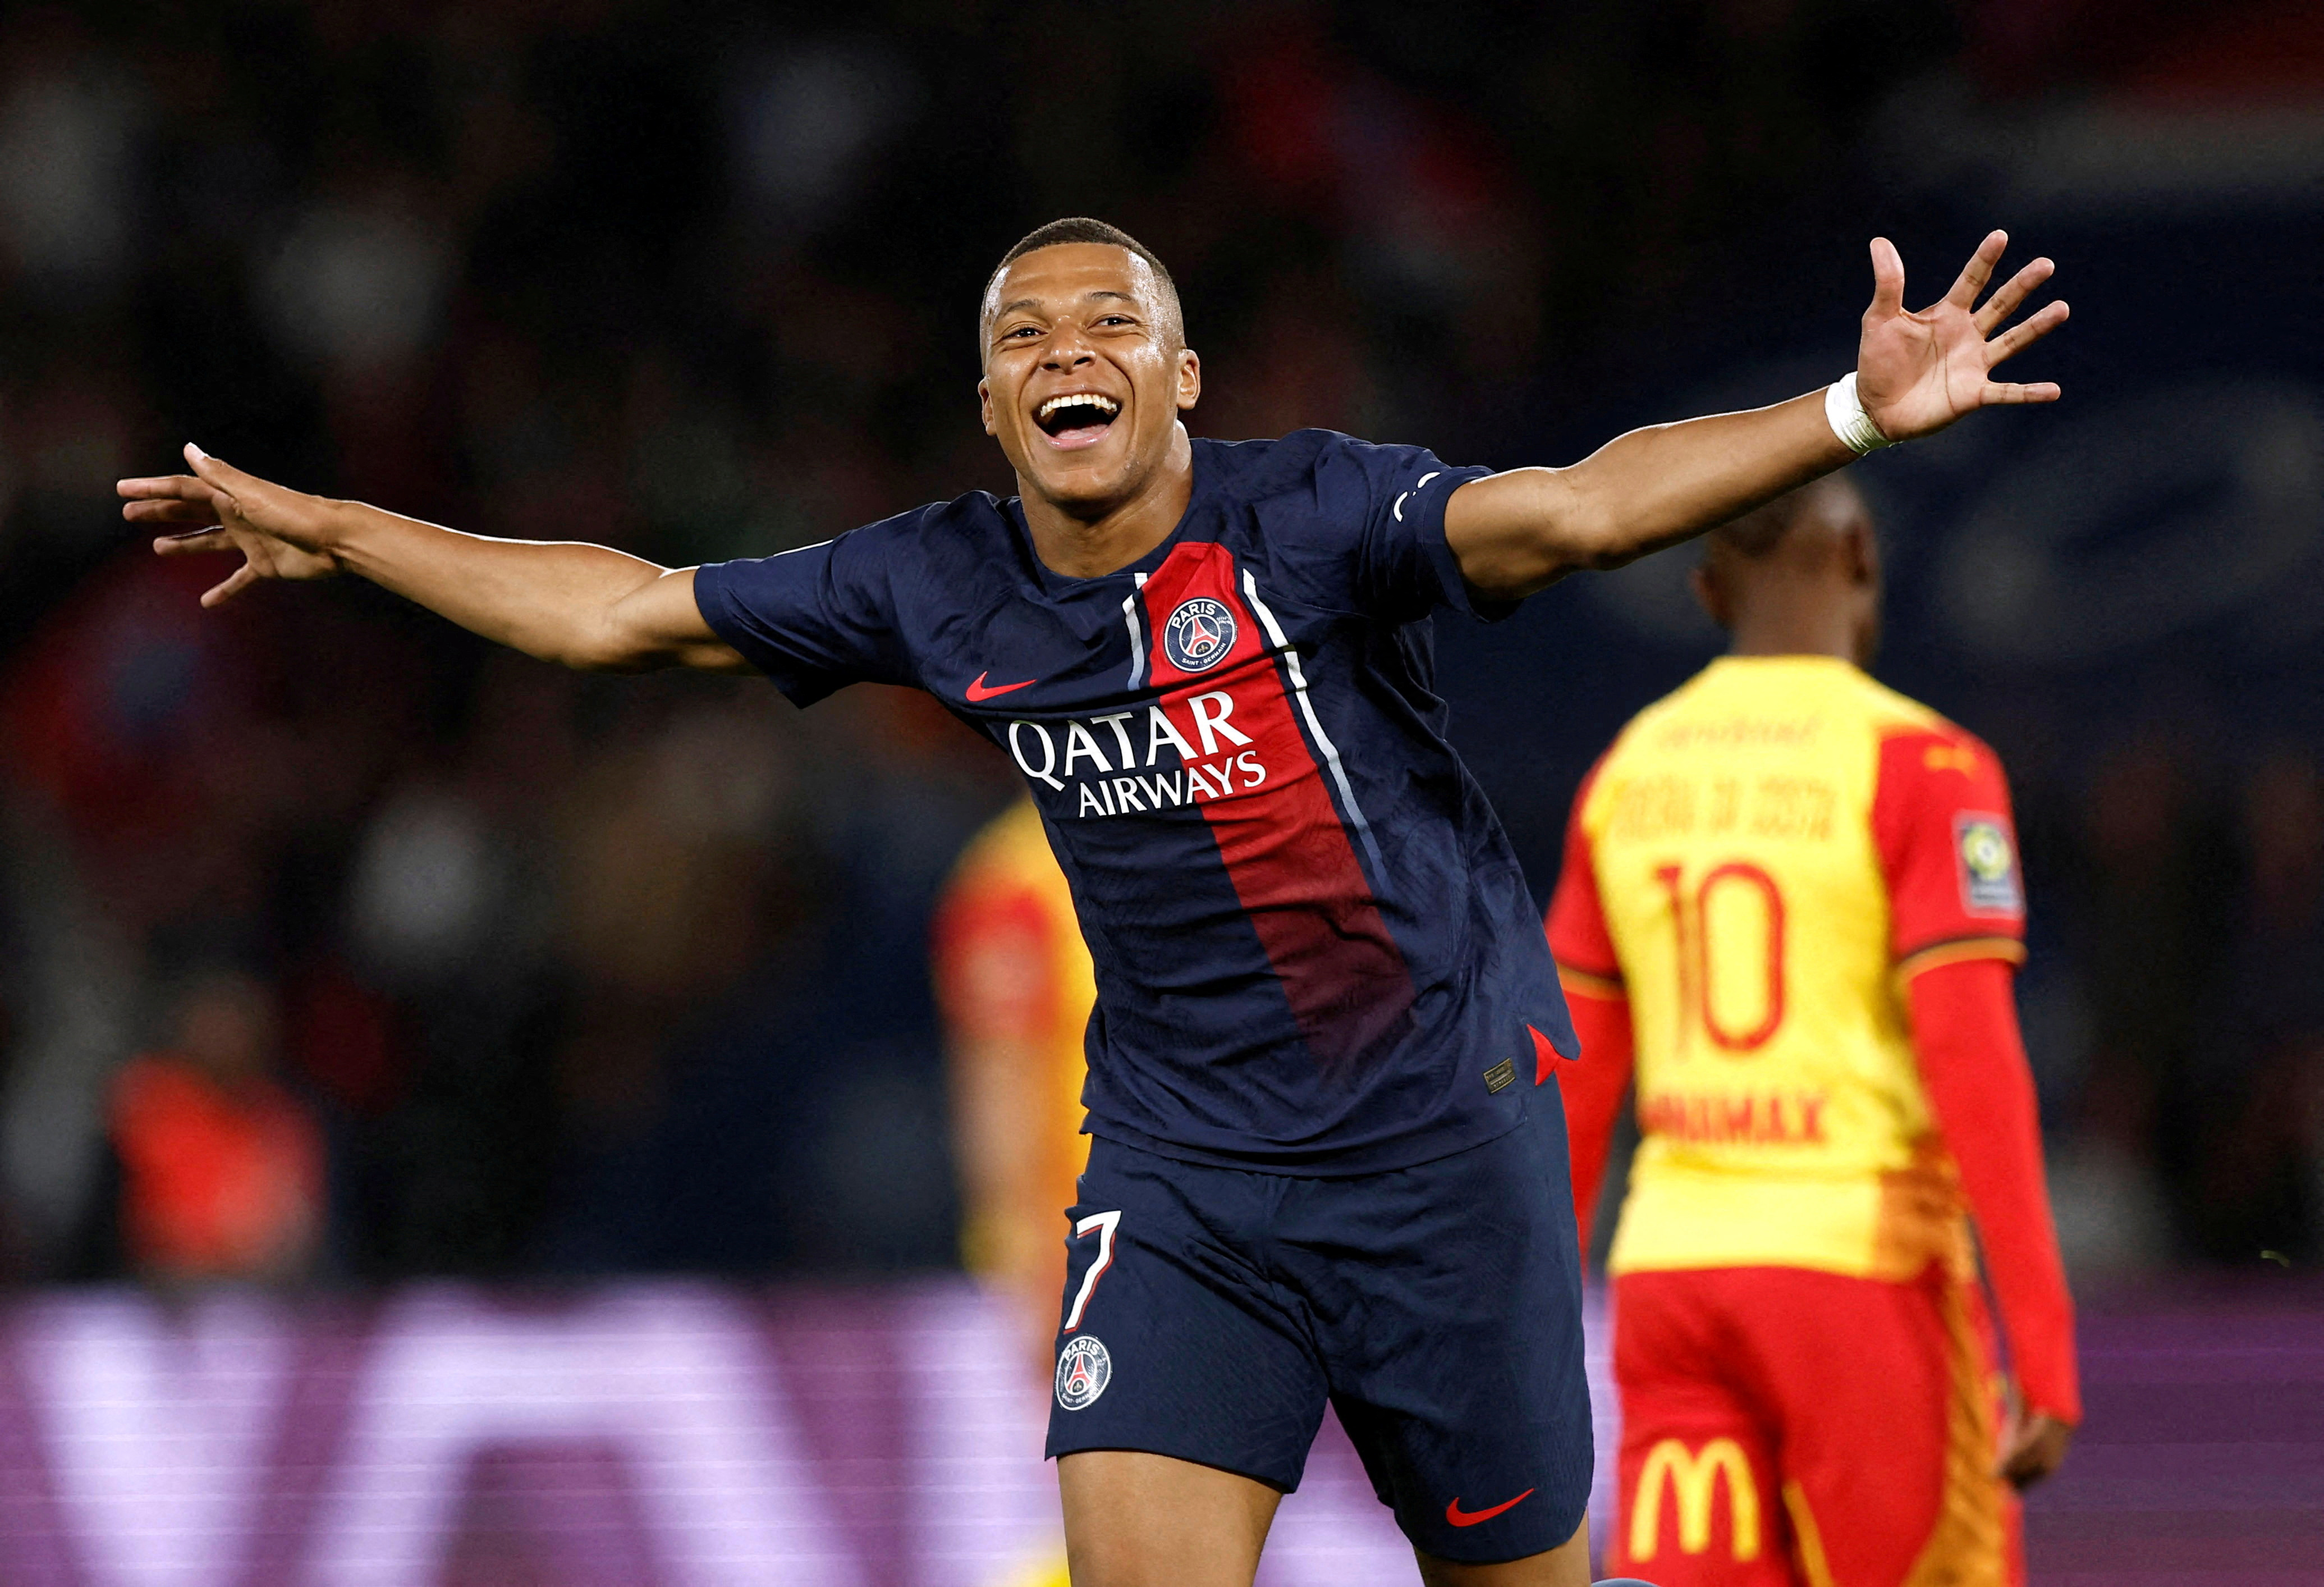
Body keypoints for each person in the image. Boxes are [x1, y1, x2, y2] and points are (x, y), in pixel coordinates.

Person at [120, 216, 2066, 1586]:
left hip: (1438, 1151)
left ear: (1182, 381)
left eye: (1111, 322)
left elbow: (1572, 502)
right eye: (1030, 332)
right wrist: (349, 532)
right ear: (989, 402)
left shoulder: (1315, 515)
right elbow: (620, 608)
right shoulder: (935, 578)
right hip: (1186, 1176)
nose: (1071, 350)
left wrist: (1852, 414)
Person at [1544, 477, 2079, 1586]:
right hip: (1858, 1274)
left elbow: (1568, 1079)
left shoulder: (1627, 772)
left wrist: (1526, 1323)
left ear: (1704, 590)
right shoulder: (1925, 765)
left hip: (1670, 1279)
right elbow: (1970, 1059)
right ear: (1863, 561)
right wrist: (2042, 1336)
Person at [933, 795, 1098, 1587]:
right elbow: (999, 1077)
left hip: (1189, 1235)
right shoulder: (1018, 876)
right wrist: (1032, 1255)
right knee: (1090, 1515)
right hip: (1089, 1251)